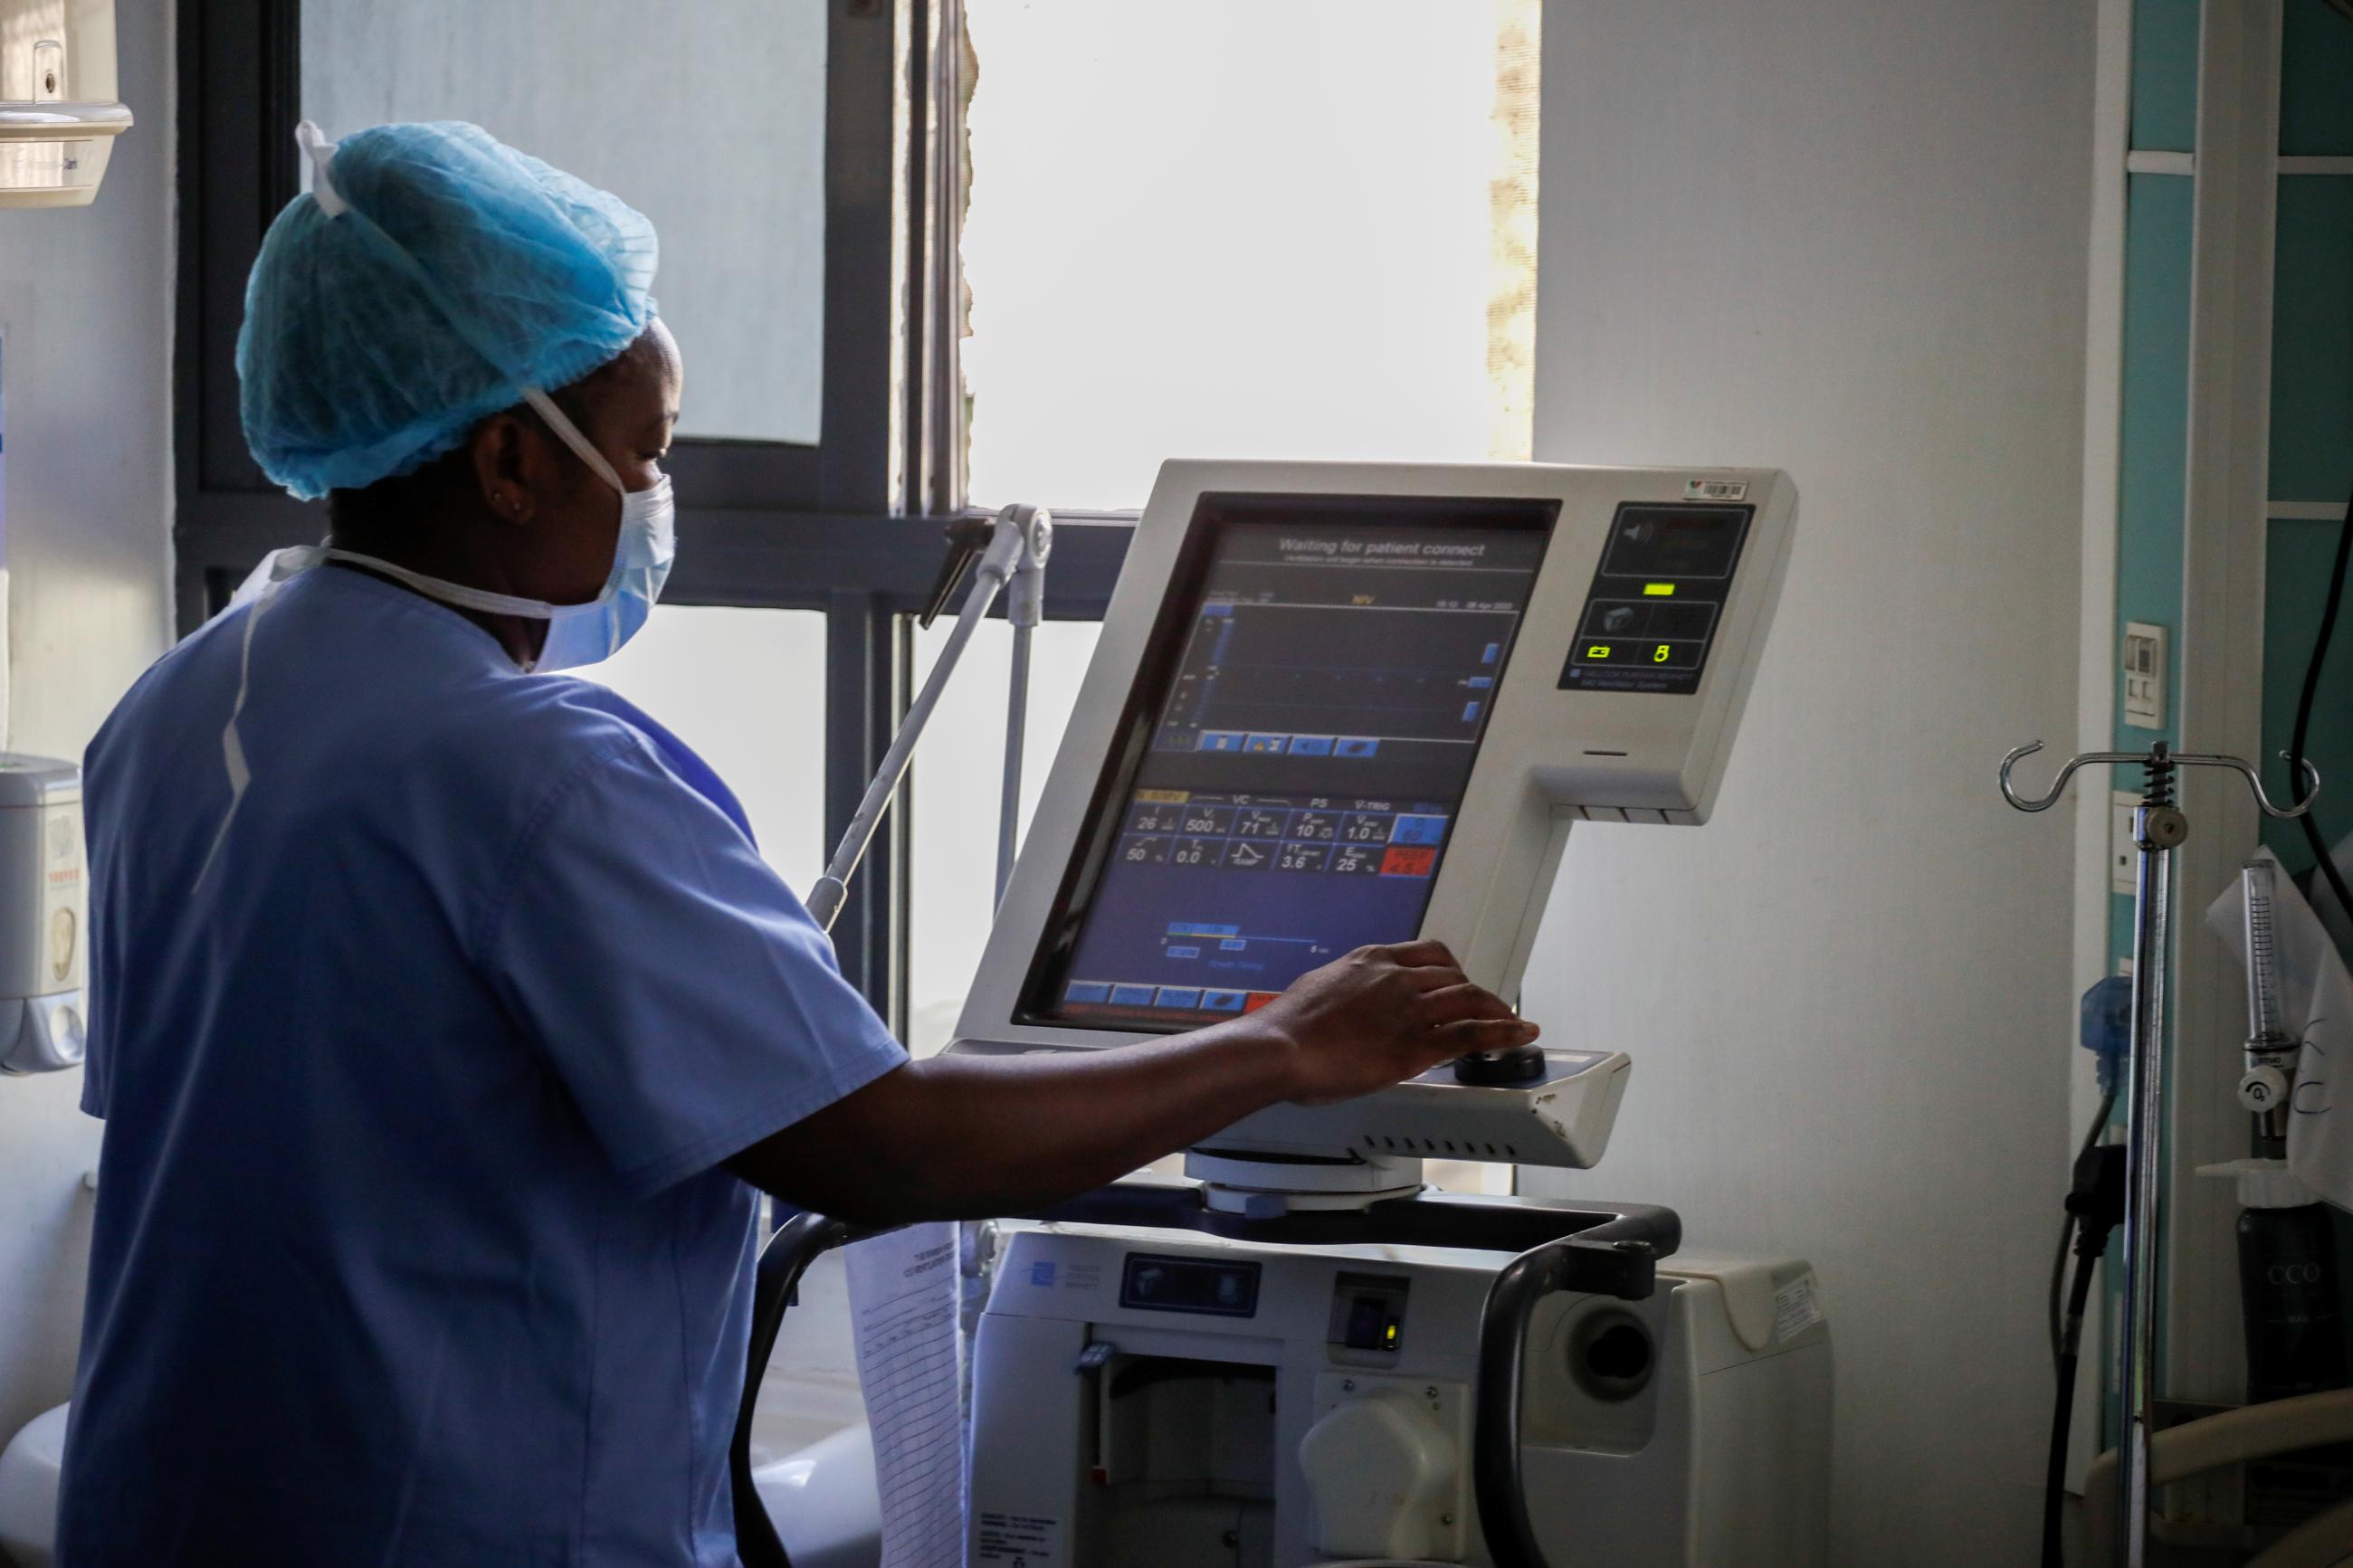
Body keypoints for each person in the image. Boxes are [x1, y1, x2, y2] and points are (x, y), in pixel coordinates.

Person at [55, 121, 1537, 1567]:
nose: (654, 499)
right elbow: (886, 1143)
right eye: (642, 454)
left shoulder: (176, 708)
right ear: (510, 461)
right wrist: (1282, 1043)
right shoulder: (537, 770)